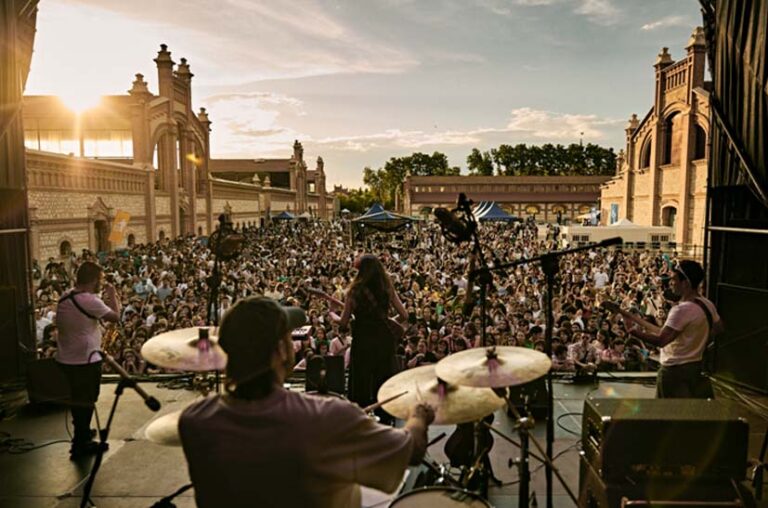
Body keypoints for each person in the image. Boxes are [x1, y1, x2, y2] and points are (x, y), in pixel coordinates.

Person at [179, 296, 434, 508]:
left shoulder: (195, 421)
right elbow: (410, 450)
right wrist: (419, 415)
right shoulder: (326, 417)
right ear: (280, 350)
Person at [605, 260, 722, 398]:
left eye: (674, 279)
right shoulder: (707, 304)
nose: (670, 283)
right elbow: (718, 328)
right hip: (695, 367)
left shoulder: (681, 310)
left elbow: (661, 340)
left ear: (686, 283)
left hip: (674, 372)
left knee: (666, 414)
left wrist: (633, 332)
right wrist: (697, 342)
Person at [55, 261, 120, 458]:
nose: (102, 283)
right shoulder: (89, 301)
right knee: (87, 399)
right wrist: (113, 293)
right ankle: (81, 443)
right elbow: (115, 317)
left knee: (78, 398)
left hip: (67, 358)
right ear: (93, 280)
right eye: (100, 279)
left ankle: (82, 431)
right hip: (85, 359)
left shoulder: (67, 296)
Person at [332, 255, 408, 418]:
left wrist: (333, 316)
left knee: (362, 381)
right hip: (384, 339)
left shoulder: (354, 291)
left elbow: (344, 323)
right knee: (383, 378)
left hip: (363, 340)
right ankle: (386, 418)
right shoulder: (387, 288)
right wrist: (388, 322)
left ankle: (362, 419)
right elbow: (404, 314)